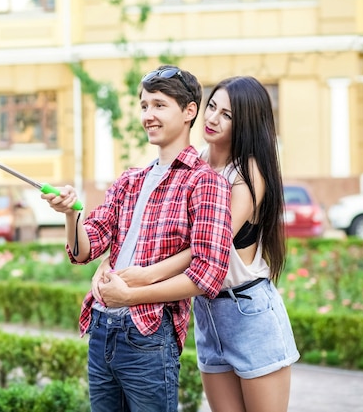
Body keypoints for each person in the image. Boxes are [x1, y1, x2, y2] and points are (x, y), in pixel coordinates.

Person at [96, 76, 300, 412]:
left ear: (246, 123)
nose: (212, 118)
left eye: (227, 115)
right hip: (207, 313)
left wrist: (144, 277)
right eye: (212, 107)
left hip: (248, 312)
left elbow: (209, 246)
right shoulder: (194, 162)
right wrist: (111, 262)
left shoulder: (247, 173)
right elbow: (153, 229)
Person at [40, 65, 233, 412]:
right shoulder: (129, 180)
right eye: (144, 106)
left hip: (148, 334)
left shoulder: (205, 182)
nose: (148, 115)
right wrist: (71, 213)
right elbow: (85, 249)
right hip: (100, 327)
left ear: (189, 111)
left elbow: (208, 274)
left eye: (159, 105)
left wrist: (131, 296)